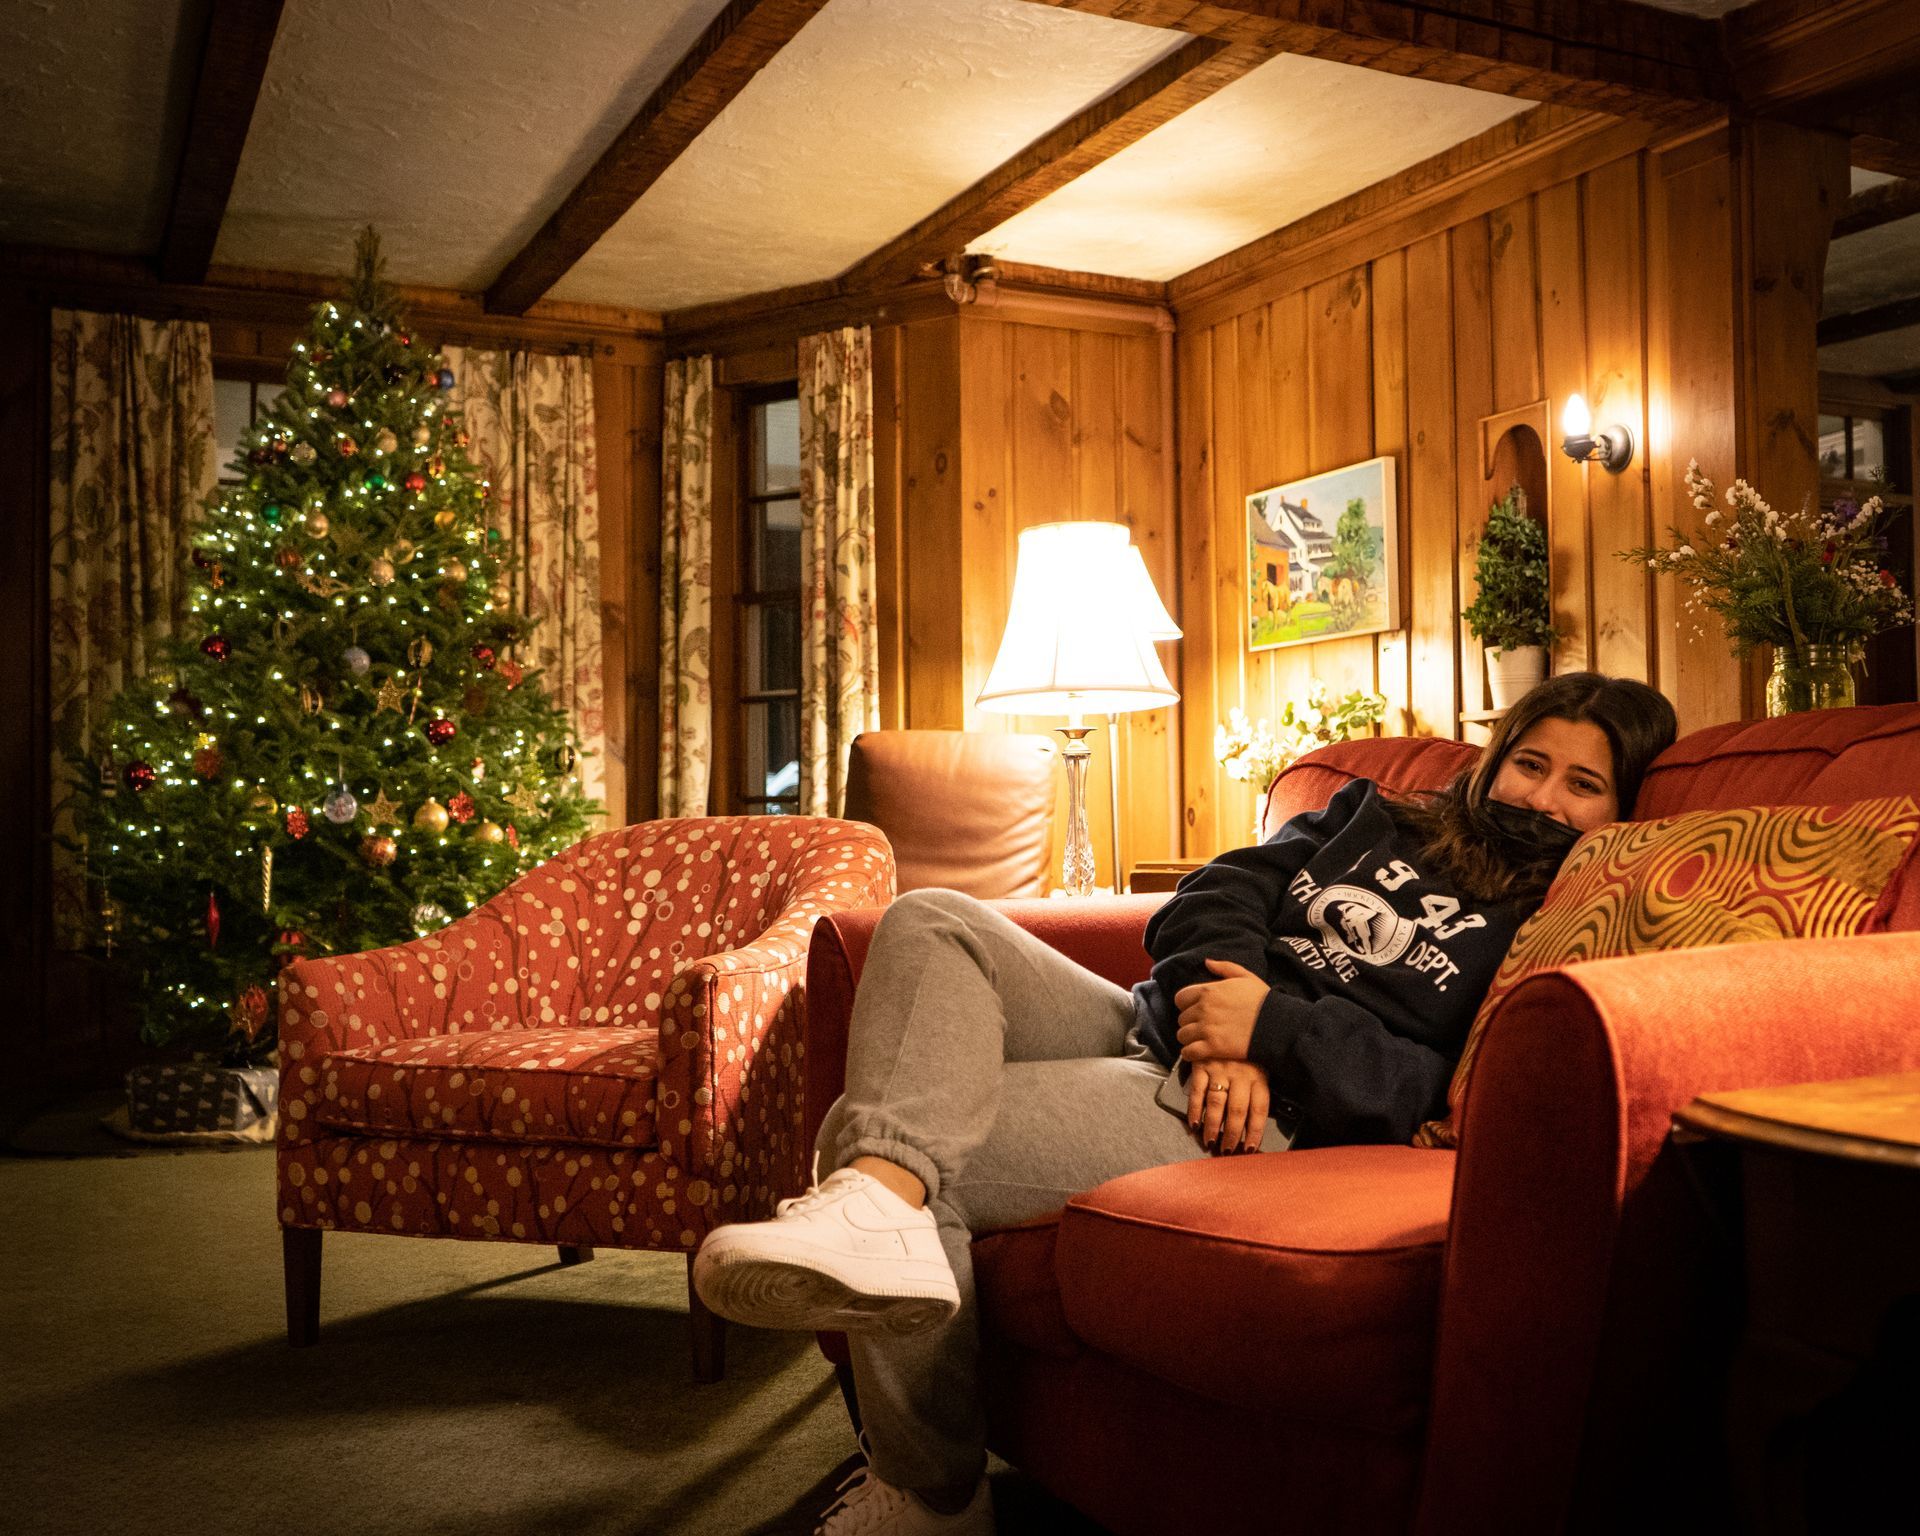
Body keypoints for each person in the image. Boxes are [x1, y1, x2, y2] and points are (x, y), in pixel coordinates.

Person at [693, 672, 1678, 1535]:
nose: (1542, 796)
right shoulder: (1374, 816)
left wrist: (1271, 1035)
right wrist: (1226, 1021)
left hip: (1260, 1118)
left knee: (872, 1141)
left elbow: (1435, 1082)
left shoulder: (1553, 917)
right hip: (1153, 1022)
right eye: (1530, 764)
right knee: (932, 918)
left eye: (1582, 784)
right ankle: (876, 1209)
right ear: (1496, 758)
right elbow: (1214, 896)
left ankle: (931, 1492)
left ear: (1620, 807)